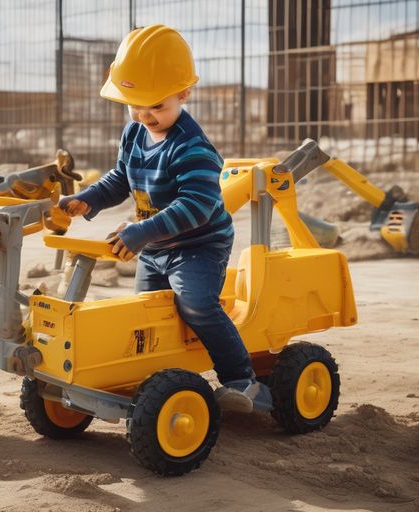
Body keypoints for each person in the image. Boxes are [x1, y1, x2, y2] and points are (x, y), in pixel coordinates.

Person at [58, 25, 272, 414]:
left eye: (156, 106)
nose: (145, 115)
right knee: (148, 309)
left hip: (198, 246)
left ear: (183, 94)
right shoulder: (134, 133)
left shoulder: (192, 148)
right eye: (134, 105)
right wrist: (88, 200)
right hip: (155, 245)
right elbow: (121, 178)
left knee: (195, 305)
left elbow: (197, 207)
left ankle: (242, 381)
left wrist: (141, 231)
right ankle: (161, 380)